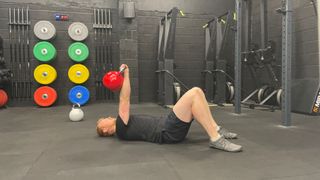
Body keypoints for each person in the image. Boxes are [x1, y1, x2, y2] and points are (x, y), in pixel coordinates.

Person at [96, 64, 242, 152]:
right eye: (104, 120)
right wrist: (127, 74)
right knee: (193, 93)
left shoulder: (122, 126)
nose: (109, 117)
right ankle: (215, 139)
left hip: (167, 125)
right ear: (105, 130)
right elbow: (124, 99)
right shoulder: (121, 129)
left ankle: (215, 129)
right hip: (167, 131)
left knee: (197, 92)